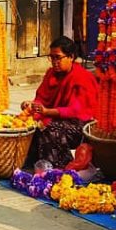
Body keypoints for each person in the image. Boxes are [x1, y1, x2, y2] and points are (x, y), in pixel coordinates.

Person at [22, 36, 99, 169]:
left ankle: (60, 167)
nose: (54, 62)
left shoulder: (82, 77)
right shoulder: (51, 73)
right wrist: (31, 105)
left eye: (58, 57)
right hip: (54, 117)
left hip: (80, 123)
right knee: (29, 126)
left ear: (71, 57)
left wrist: (47, 112)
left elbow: (76, 110)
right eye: (51, 57)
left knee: (50, 129)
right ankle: (32, 161)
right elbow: (41, 97)